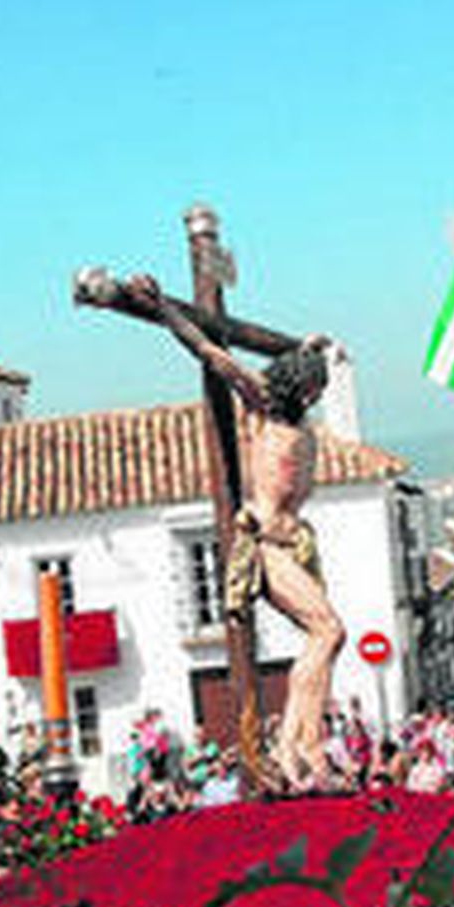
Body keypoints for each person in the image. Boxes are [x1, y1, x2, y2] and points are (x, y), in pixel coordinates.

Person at [125, 273, 343, 792]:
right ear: (296, 384)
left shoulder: (300, 422)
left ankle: (298, 744)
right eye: (312, 385)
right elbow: (210, 353)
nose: (316, 393)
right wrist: (163, 308)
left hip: (293, 546)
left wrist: (311, 347)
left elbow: (300, 360)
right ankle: (300, 744)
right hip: (266, 546)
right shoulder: (262, 408)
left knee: (327, 636)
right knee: (328, 631)